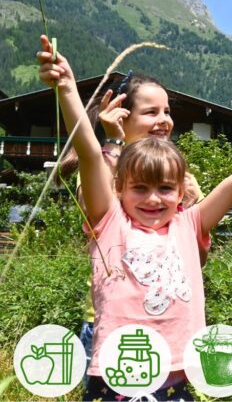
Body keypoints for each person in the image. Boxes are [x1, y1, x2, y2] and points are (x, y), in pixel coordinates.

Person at [37, 35, 232, 401]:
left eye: (166, 189)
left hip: (176, 378)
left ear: (181, 193)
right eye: (140, 189)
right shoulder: (110, 222)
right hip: (117, 376)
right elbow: (89, 153)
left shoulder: (188, 224)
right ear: (118, 189)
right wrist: (68, 89)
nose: (153, 198)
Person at [58, 71, 204, 386]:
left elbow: (198, 255)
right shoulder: (104, 165)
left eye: (167, 111)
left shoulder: (179, 174)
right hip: (112, 321)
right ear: (123, 116)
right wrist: (112, 143)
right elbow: (96, 208)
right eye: (151, 112)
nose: (164, 119)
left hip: (169, 323)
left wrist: (190, 205)